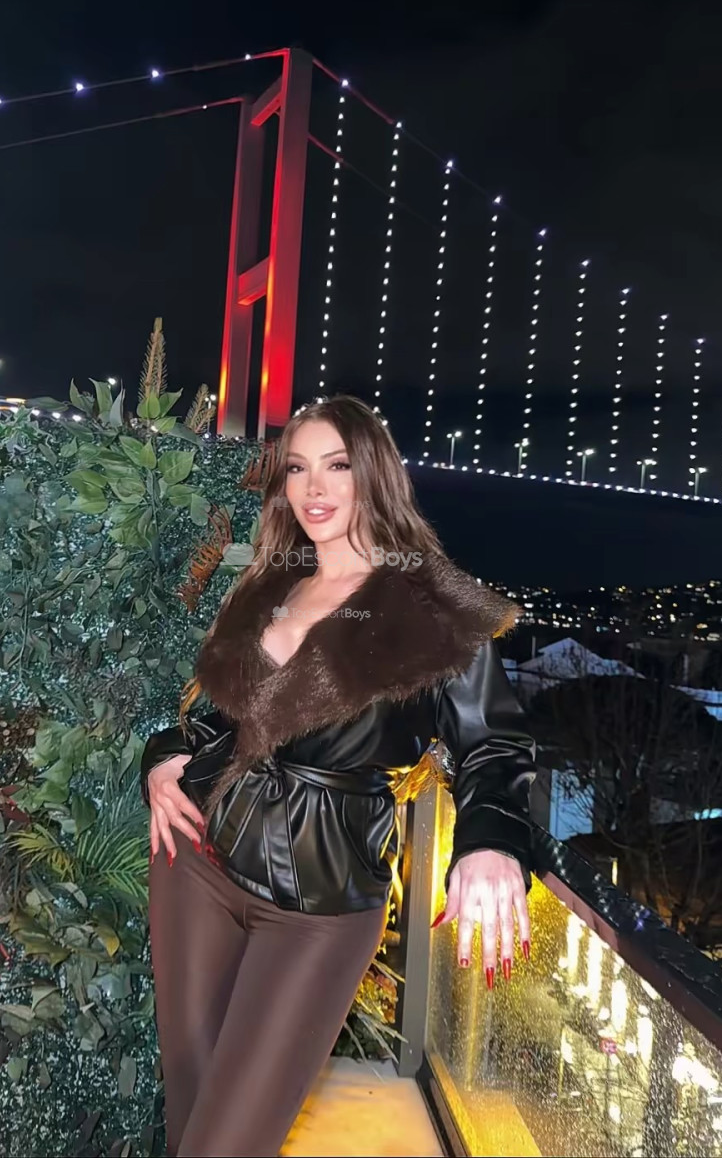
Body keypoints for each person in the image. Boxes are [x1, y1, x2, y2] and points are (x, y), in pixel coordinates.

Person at [141, 394, 537, 1157]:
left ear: (375, 475)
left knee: (228, 1144)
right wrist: (160, 762)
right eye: (297, 468)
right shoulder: (269, 586)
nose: (314, 488)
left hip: (321, 903)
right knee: (189, 1111)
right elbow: (218, 724)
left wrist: (491, 842)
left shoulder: (432, 608)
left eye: (337, 466)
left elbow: (494, 744)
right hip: (195, 863)